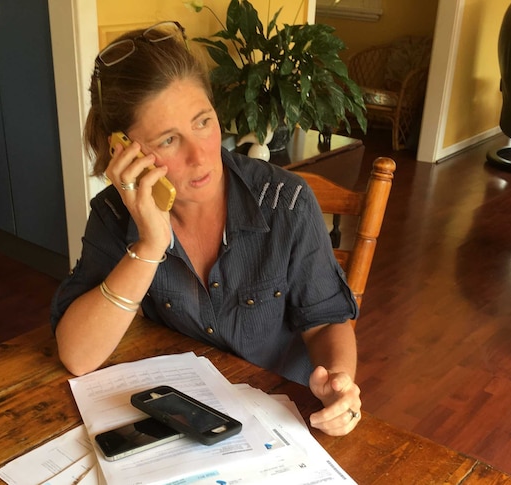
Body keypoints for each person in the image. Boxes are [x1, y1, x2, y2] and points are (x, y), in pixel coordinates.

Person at [50, 21, 362, 436]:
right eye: (168, 140)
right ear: (123, 150)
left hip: (282, 424)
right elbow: (78, 355)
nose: (200, 155)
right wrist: (151, 242)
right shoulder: (115, 214)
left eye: (202, 121)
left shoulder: (287, 202)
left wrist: (339, 384)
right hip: (186, 422)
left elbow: (325, 321)